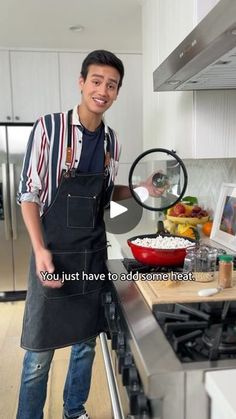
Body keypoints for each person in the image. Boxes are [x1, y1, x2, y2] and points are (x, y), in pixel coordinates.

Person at [16, 49, 127, 419]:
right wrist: (40, 251)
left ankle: (74, 411)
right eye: (96, 81)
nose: (103, 90)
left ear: (116, 92)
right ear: (82, 83)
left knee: (85, 346)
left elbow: (105, 199)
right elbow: (28, 194)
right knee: (38, 355)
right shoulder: (49, 128)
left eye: (111, 85)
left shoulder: (113, 141)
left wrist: (141, 190)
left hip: (91, 255)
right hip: (52, 251)